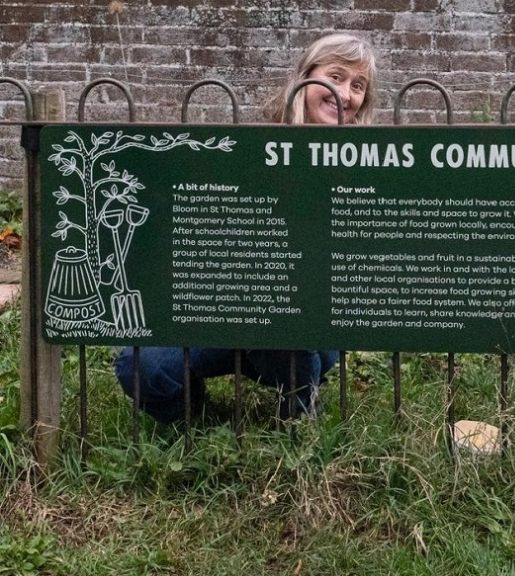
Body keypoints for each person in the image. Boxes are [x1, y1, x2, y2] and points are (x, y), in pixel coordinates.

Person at [115, 33, 377, 423]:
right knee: (142, 365)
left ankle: (299, 412)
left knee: (292, 325)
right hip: (222, 313)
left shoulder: (367, 171)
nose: (345, 93)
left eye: (358, 86)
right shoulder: (250, 149)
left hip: (299, 330)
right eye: (336, 76)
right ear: (304, 79)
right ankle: (194, 419)